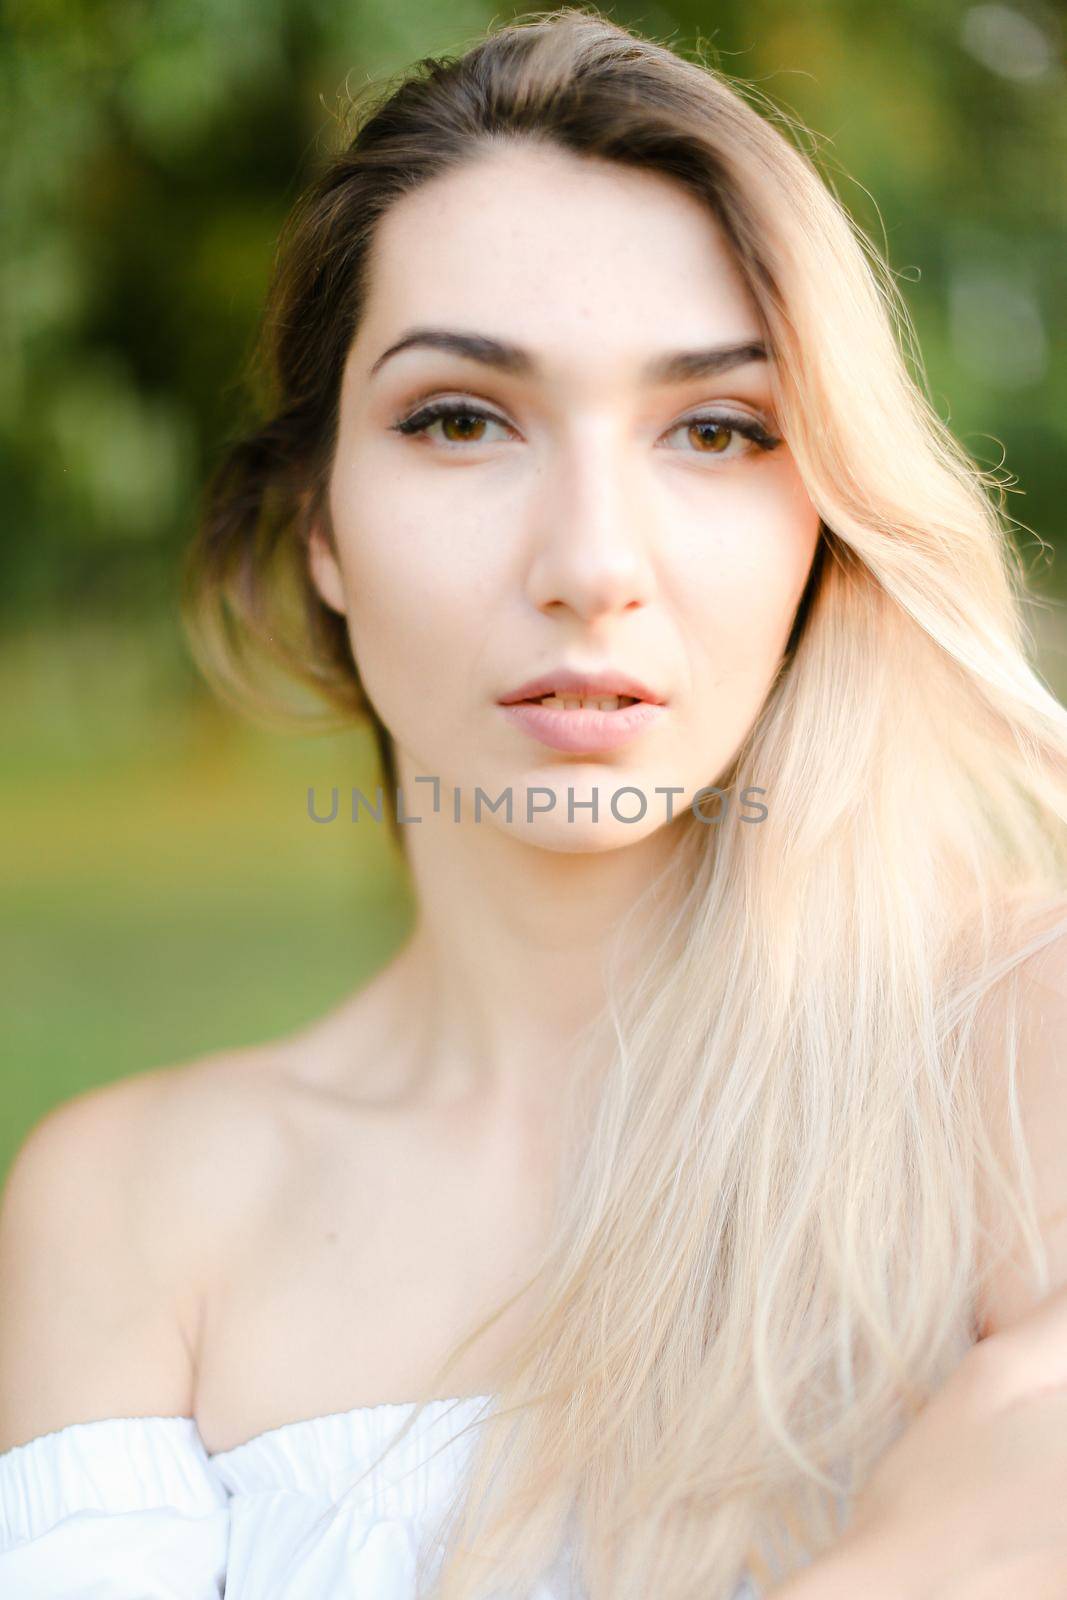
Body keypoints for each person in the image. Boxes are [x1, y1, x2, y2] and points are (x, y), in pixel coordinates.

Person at [2, 7, 1067, 1599]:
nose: (590, 567)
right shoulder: (132, 1206)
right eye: (461, 420)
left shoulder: (1015, 1042)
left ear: (826, 520)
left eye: (715, 430)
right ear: (323, 530)